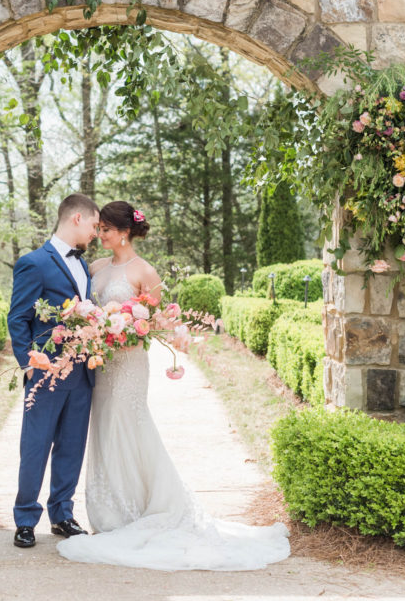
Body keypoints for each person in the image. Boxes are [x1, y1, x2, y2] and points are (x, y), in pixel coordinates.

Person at [56, 200, 291, 571]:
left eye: (105, 230)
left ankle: (135, 510)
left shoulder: (145, 272)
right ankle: (108, 511)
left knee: (125, 426)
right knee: (103, 429)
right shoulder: (96, 267)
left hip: (129, 364)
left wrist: (128, 331)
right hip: (100, 365)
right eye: (98, 229)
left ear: (124, 232)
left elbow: (154, 322)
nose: (99, 235)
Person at [7, 193, 100, 548]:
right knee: (35, 445)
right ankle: (25, 518)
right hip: (45, 371)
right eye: (93, 224)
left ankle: (62, 515)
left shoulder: (85, 267)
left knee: (71, 446)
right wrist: (30, 364)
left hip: (82, 372)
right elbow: (18, 318)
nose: (95, 232)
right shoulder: (34, 263)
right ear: (77, 218)